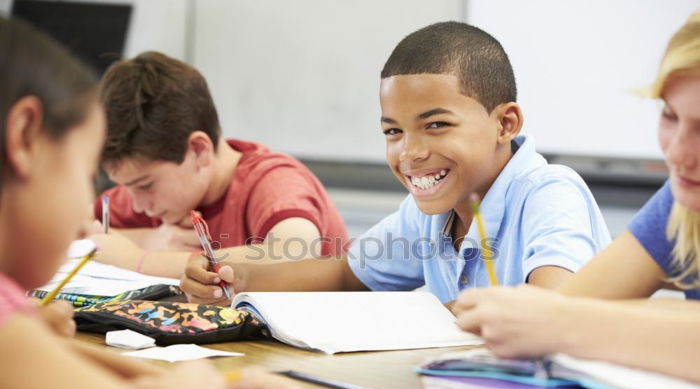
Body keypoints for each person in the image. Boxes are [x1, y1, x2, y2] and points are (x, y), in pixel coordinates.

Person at [0, 16, 306, 389]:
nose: (92, 201)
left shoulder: (271, 179)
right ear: (24, 139)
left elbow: (301, 248)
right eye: (86, 173)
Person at [181, 21, 611, 307]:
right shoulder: (431, 211)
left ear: (505, 123)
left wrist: (422, 319)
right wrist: (237, 280)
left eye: (437, 124)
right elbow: (347, 275)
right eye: (393, 132)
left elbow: (552, 309)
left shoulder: (550, 193)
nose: (409, 153)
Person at [453, 12, 700, 383]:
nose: (677, 153)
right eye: (669, 115)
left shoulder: (549, 187)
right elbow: (567, 306)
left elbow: (559, 318)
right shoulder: (684, 200)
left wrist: (558, 321)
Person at [89, 51, 348, 280]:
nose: (138, 205)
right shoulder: (153, 189)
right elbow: (67, 232)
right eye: (125, 187)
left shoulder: (274, 181)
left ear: (199, 150)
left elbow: (294, 254)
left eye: (145, 185)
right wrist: (150, 240)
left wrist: (140, 260)